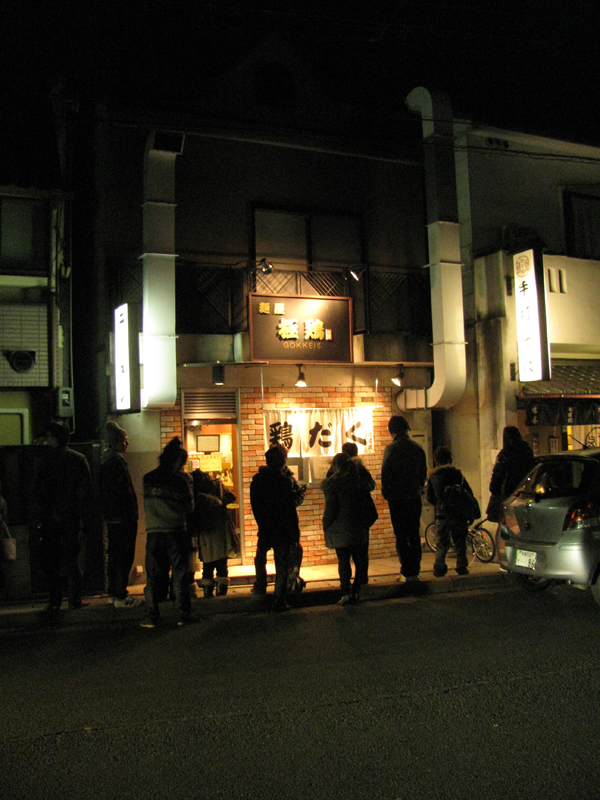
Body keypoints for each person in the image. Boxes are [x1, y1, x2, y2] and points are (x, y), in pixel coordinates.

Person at [32, 422, 92, 621]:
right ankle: (74, 600)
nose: (46, 440)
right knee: (72, 560)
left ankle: (54, 601)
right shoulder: (79, 460)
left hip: (50, 519)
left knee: (52, 561)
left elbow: (37, 492)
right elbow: (85, 493)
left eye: (49, 436)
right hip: (71, 518)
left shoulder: (43, 461)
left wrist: (42, 514)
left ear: (56, 438)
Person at [141, 437, 194, 628]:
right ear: (177, 461)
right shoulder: (180, 482)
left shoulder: (148, 478)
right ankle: (182, 615)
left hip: (153, 532)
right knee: (179, 574)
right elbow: (189, 507)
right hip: (175, 531)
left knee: (153, 576)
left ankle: (151, 616)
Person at [250, 446, 301, 612]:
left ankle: (260, 585)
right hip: (281, 529)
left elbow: (255, 506)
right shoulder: (282, 482)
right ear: (282, 461)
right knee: (281, 564)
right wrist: (294, 533)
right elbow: (288, 510)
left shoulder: (257, 481)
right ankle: (278, 599)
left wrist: (262, 523)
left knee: (261, 556)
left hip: (265, 526)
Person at [100, 421, 142, 607]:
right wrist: (130, 513)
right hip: (123, 517)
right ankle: (120, 593)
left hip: (113, 517)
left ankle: (114, 592)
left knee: (115, 554)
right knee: (124, 555)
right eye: (125, 441)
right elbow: (123, 493)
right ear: (117, 442)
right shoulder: (116, 463)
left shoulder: (106, 461)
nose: (128, 444)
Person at [381, 415, 427, 583]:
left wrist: (387, 492)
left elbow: (385, 474)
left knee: (401, 535)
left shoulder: (391, 449)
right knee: (414, 534)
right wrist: (419, 488)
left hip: (397, 498)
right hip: (414, 496)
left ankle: (406, 570)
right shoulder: (418, 447)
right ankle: (415, 570)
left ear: (392, 431)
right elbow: (423, 472)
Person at [321, 452, 371, 605]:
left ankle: (345, 592)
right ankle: (356, 589)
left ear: (335, 467)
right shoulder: (358, 481)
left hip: (340, 529)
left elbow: (331, 509)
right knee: (359, 559)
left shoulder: (333, 484)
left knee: (343, 561)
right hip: (358, 527)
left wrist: (326, 524)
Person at [426, 446, 473, 577]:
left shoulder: (433, 476)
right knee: (460, 541)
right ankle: (461, 566)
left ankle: (439, 567)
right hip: (458, 513)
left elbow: (430, 496)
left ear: (436, 460)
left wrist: (440, 504)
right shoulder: (457, 474)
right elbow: (467, 491)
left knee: (442, 542)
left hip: (442, 514)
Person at [191, 469, 237, 598]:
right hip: (220, 529)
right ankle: (221, 593)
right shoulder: (217, 487)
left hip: (204, 532)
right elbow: (231, 497)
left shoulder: (195, 493)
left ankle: (207, 593)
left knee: (207, 564)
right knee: (222, 562)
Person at [487, 426, 535, 522]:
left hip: (507, 493)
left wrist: (494, 489)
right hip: (525, 492)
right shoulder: (527, 451)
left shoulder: (505, 454)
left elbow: (498, 474)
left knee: (506, 523)